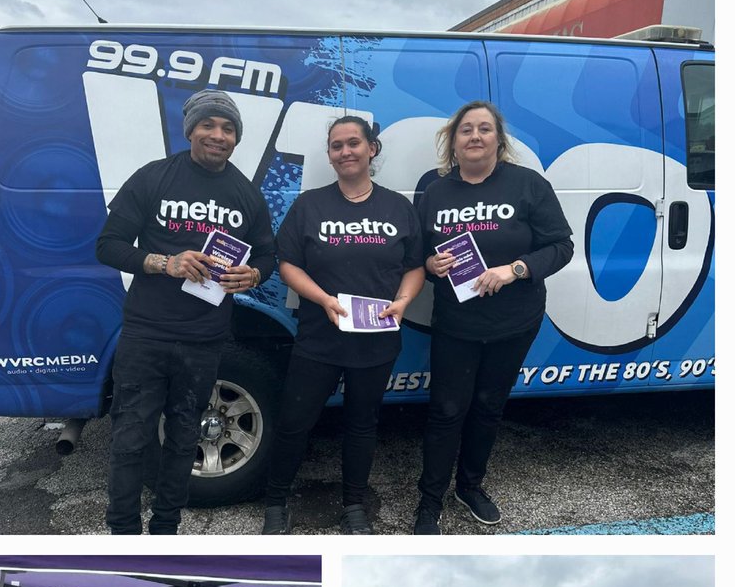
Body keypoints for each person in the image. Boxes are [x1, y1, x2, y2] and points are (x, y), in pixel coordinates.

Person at [96, 90, 275, 534]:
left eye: (228, 128)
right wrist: (164, 262)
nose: (218, 135)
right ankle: (122, 533)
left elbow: (269, 256)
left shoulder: (245, 194)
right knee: (130, 440)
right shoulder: (154, 178)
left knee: (182, 440)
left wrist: (253, 275)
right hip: (146, 335)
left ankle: (165, 529)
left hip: (204, 339)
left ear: (237, 138)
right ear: (190, 129)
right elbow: (107, 245)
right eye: (209, 125)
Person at [413, 100, 573, 534]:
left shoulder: (527, 185)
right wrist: (431, 265)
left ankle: (470, 486)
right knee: (446, 410)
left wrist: (515, 269)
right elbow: (419, 254)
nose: (476, 136)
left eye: (485, 129)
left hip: (513, 322)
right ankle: (430, 501)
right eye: (466, 130)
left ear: (499, 139)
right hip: (456, 324)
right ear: (454, 141)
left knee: (488, 407)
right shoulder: (436, 192)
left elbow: (561, 246)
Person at [262, 116, 425, 535]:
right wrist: (323, 300)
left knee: (362, 423)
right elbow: (287, 264)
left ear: (372, 149)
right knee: (295, 420)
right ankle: (276, 502)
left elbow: (415, 267)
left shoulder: (397, 206)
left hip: (376, 340)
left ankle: (354, 505)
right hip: (319, 337)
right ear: (330, 155)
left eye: (354, 143)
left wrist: (404, 301)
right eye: (336, 146)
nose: (345, 151)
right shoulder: (310, 205)